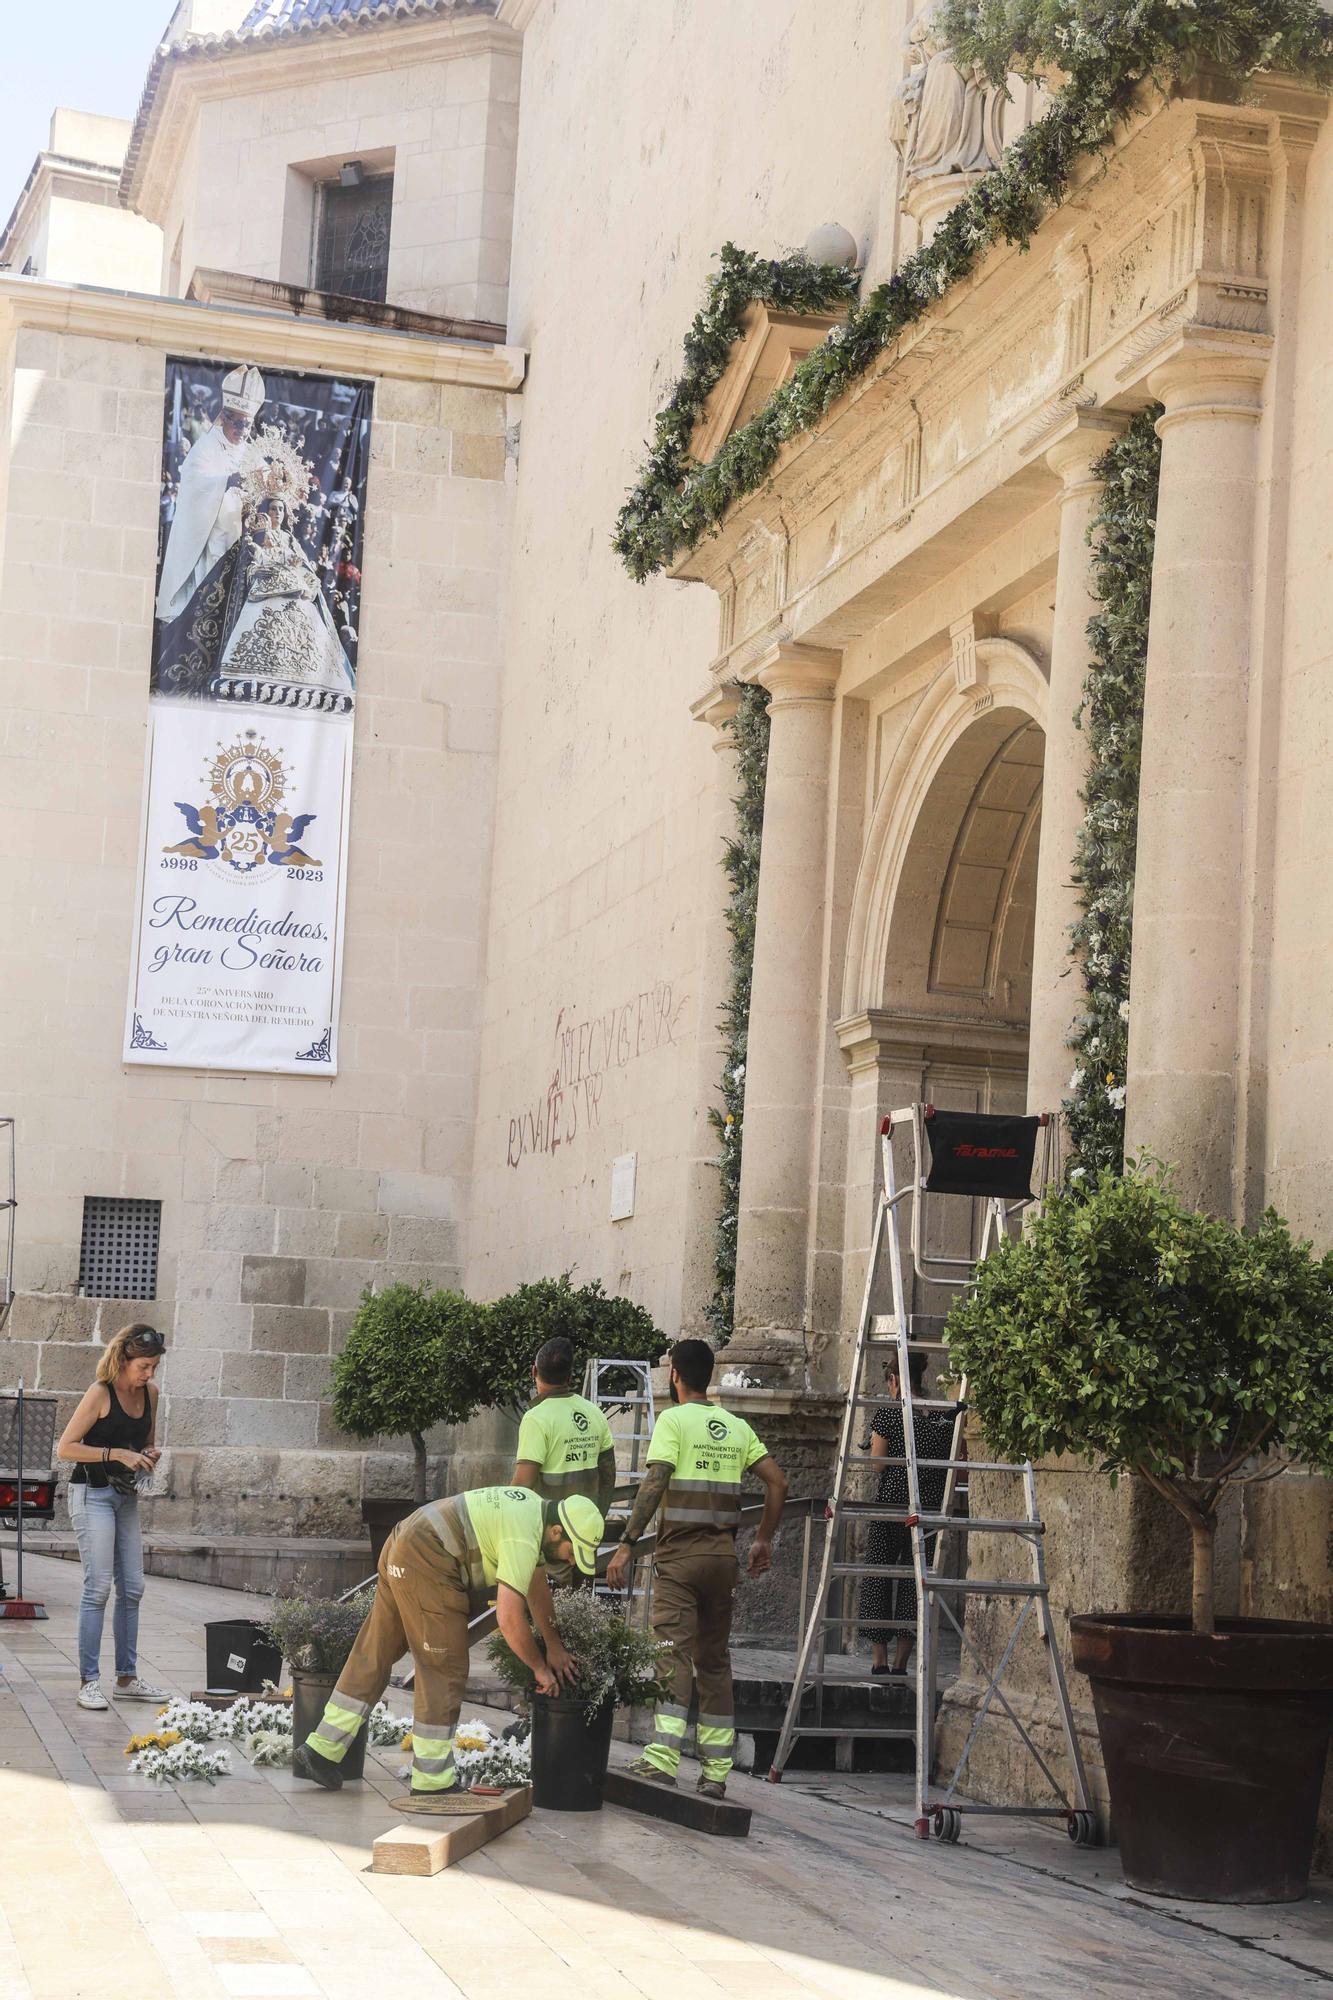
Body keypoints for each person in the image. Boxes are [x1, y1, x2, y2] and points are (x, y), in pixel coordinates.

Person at [293, 1486, 604, 1811]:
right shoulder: (525, 1536)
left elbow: (536, 1590)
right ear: (557, 1531)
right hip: (428, 1557)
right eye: (572, 1552)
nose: (570, 1561)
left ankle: (321, 1749)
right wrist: (539, 1667)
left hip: (403, 1540)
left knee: (375, 1652)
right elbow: (509, 1617)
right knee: (444, 1665)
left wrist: (553, 1645)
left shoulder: (532, 1514)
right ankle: (433, 1781)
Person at [606, 1338, 787, 1800]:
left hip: (680, 1562)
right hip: (723, 1561)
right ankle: (716, 1773)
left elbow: (655, 1482)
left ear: (675, 1376)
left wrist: (627, 1545)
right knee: (714, 1662)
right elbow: (777, 1482)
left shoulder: (673, 1420)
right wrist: (762, 1538)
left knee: (671, 1654)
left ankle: (663, 1760)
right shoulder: (734, 1426)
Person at [55, 1324, 168, 1711]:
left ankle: (127, 1678)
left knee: (133, 1588)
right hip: (92, 1495)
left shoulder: (150, 1394)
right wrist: (115, 1454)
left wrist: (149, 1455)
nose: (149, 1374)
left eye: (153, 1367)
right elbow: (66, 1448)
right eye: (144, 1366)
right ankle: (89, 1681)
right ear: (124, 1359)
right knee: (98, 1587)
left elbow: (147, 1441)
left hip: (125, 1496)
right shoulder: (99, 1393)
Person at [858, 1351, 956, 1677]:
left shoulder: (890, 1413)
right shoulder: (942, 1415)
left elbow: (878, 1463)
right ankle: (901, 1664)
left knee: (878, 1578)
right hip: (927, 1509)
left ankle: (879, 1662)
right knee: (916, 1586)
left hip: (892, 1506)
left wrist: (874, 1441)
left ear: (894, 1380)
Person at [155, 364, 264, 625]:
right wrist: (227, 480)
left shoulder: (249, 451)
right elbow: (195, 483)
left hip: (240, 535)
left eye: (247, 425)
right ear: (223, 417)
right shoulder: (205, 446)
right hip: (211, 535)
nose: (242, 430)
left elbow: (262, 479)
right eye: (236, 423)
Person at [512, 1336, 616, 1583]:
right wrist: (594, 1523)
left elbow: (522, 1485)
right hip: (583, 1539)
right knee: (578, 1608)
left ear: (534, 1371)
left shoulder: (536, 1418)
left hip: (551, 1540)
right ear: (570, 1377)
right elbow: (608, 1477)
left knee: (548, 1613)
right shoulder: (594, 1413)